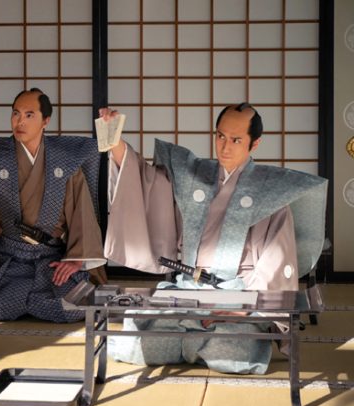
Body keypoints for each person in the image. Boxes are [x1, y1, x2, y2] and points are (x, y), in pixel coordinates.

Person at [100, 103, 327, 374]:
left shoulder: (271, 192)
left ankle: (191, 340)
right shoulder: (194, 176)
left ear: (254, 144)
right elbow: (148, 183)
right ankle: (195, 342)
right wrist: (115, 143)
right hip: (188, 288)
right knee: (138, 325)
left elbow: (275, 261)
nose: (225, 147)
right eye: (220, 136)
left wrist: (246, 307)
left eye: (236, 140)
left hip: (238, 293)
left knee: (235, 347)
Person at [0, 88, 106, 323]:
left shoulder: (66, 163)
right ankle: (33, 301)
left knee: (77, 308)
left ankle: (23, 302)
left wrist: (76, 260)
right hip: (9, 261)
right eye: (16, 113)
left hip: (51, 260)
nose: (19, 121)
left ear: (46, 121)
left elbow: (82, 214)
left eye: (29, 115)